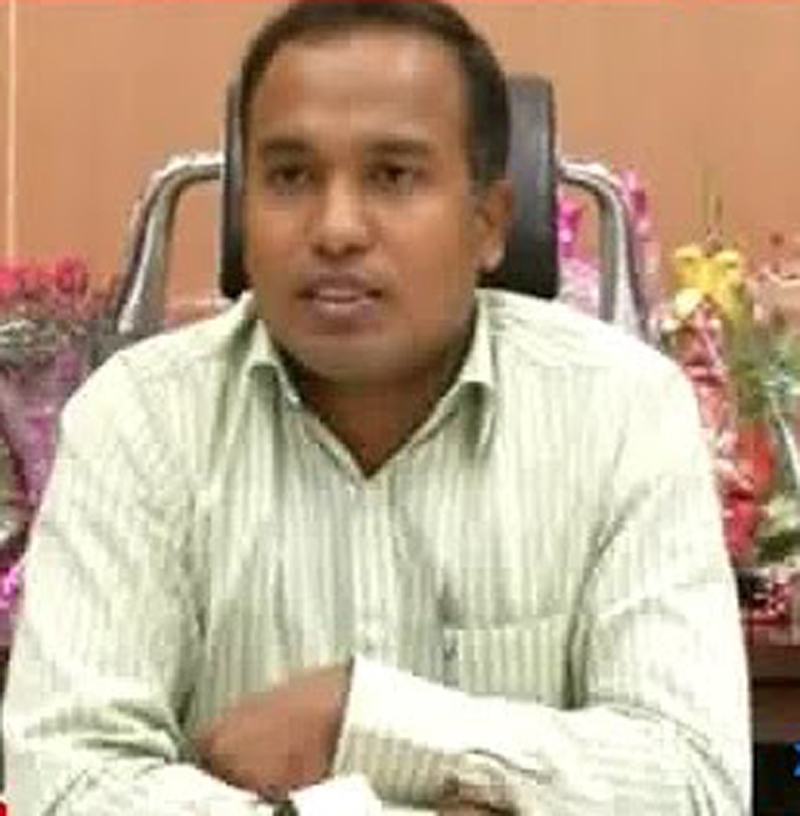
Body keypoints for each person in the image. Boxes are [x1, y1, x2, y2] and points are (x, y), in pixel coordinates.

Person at [3, 1, 750, 813]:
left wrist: (364, 717)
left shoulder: (622, 413)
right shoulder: (139, 420)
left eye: (393, 176)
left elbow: (696, 784)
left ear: (489, 222)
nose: (336, 229)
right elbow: (64, 782)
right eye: (290, 177)